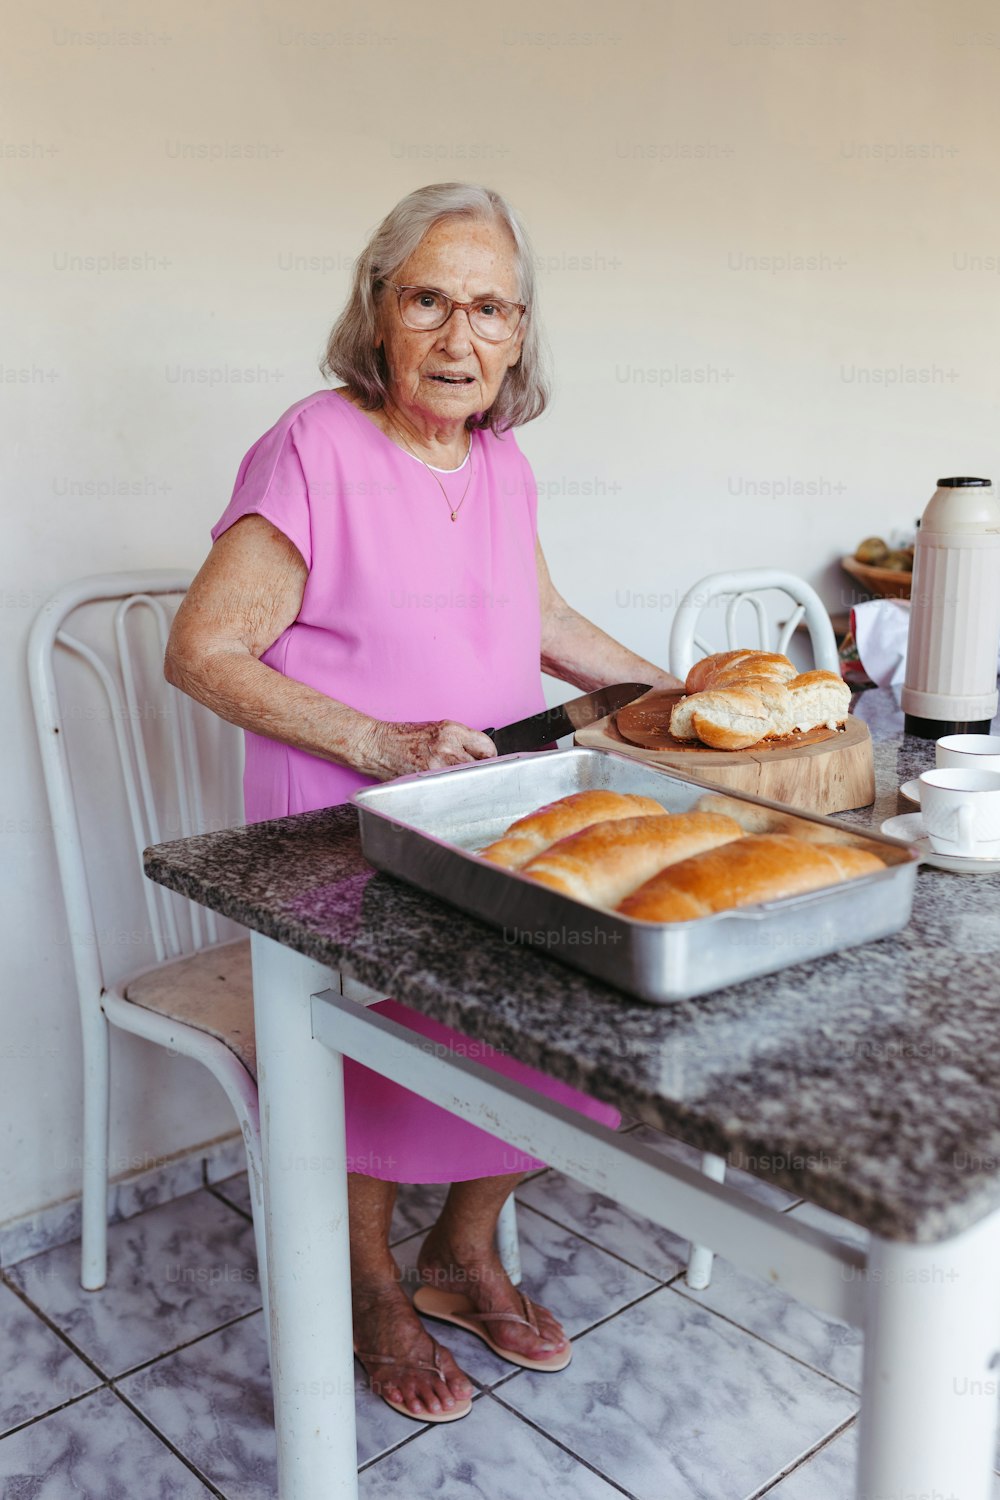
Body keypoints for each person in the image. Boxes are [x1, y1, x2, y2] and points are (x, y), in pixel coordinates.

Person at [165, 181, 681, 1423]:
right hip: (332, 826)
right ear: (379, 312)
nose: (461, 338)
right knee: (373, 1040)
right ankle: (369, 1286)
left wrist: (668, 688)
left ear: (519, 331)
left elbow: (540, 619)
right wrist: (377, 742)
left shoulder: (501, 459)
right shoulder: (314, 443)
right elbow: (203, 649)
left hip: (486, 816)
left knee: (556, 1006)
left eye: (491, 307)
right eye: (430, 300)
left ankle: (462, 1249)